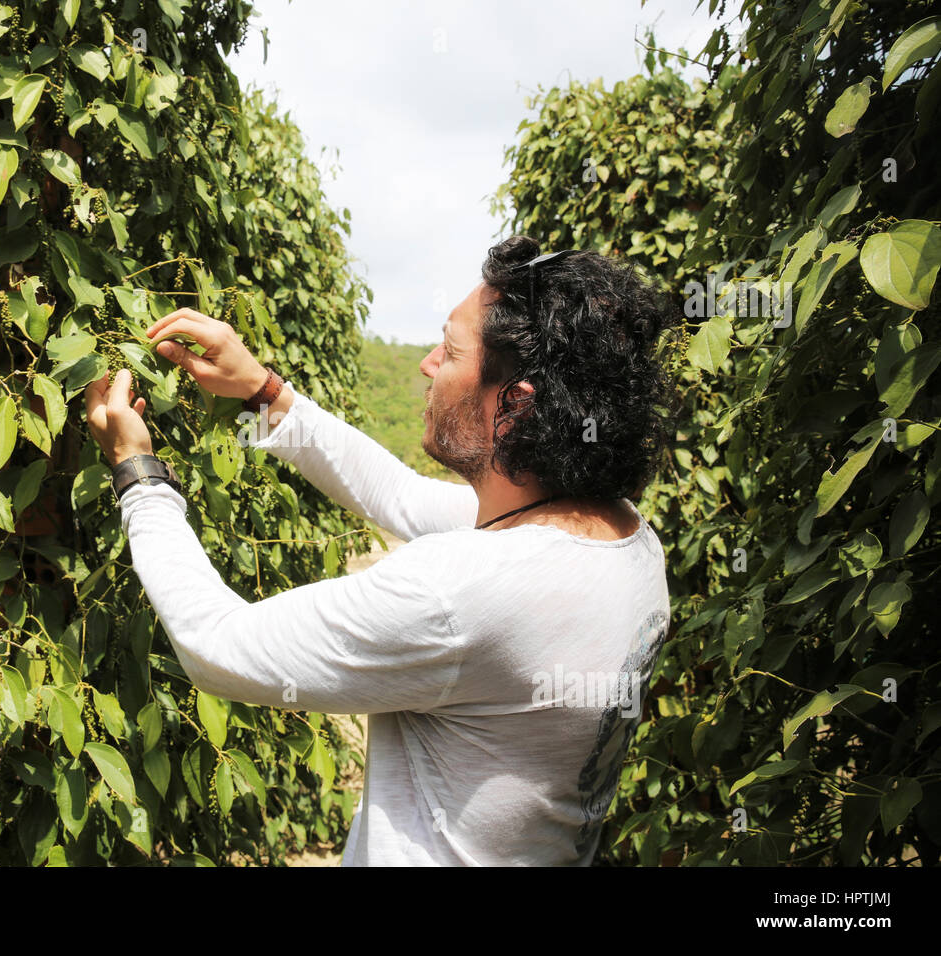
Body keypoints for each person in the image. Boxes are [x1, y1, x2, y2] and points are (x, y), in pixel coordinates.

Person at [84, 234, 678, 865]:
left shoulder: (459, 592)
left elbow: (216, 646)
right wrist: (263, 394)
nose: (426, 364)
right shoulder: (626, 540)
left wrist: (137, 472)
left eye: (449, 351)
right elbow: (398, 495)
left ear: (516, 406)